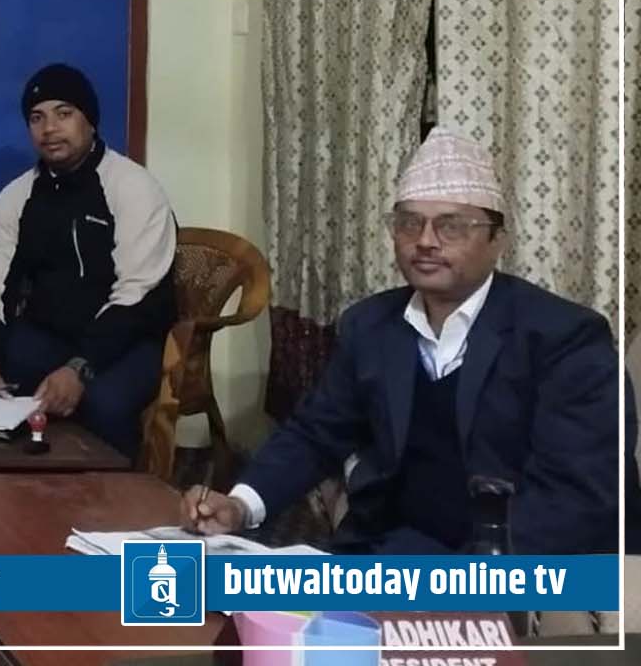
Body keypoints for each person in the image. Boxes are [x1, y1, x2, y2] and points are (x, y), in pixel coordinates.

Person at [182, 128, 619, 555]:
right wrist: (240, 505)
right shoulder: (370, 325)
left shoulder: (564, 338)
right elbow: (316, 433)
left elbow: (574, 498)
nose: (425, 241)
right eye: (409, 223)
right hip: (392, 547)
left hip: (509, 560)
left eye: (451, 227)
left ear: (497, 241)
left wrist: (465, 579)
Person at [0, 63, 177, 457]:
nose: (50, 129)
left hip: (127, 340)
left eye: (64, 113)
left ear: (90, 121)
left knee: (105, 404)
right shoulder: (17, 196)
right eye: (37, 118)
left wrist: (78, 368)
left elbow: (137, 296)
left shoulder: (133, 187)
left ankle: (116, 492)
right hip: (48, 336)